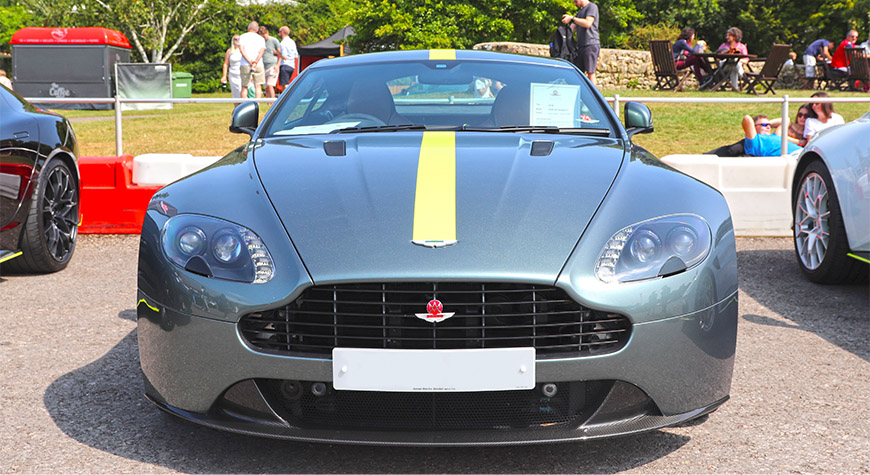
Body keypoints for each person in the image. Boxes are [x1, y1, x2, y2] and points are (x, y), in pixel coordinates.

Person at [706, 114, 799, 157]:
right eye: (764, 125)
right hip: (792, 157)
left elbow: (786, 119)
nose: (768, 127)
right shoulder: (754, 141)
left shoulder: (776, 135)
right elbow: (747, 118)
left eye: (769, 126)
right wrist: (755, 128)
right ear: (754, 128)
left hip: (801, 152)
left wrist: (766, 123)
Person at [561, 0, 600, 86]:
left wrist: (572, 18)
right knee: (578, 73)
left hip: (590, 44)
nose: (575, 4)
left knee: (590, 73)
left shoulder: (592, 7)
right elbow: (572, 28)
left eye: (575, 1)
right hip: (581, 46)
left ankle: (595, 98)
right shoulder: (580, 13)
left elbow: (587, 23)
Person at [239, 21, 266, 99]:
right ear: (257, 30)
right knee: (258, 85)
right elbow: (262, 51)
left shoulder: (243, 36)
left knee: (244, 86)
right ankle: (257, 103)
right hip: (258, 64)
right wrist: (255, 62)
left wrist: (249, 61)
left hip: (245, 63)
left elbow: (241, 50)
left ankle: (243, 104)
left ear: (248, 28)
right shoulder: (261, 38)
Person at [258, 26, 281, 98]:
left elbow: (280, 53)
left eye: (264, 36)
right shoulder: (260, 42)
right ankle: (268, 102)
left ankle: (273, 101)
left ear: (267, 33)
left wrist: (277, 65)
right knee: (266, 87)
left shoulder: (274, 40)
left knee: (270, 85)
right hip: (263, 66)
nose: (263, 38)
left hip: (272, 65)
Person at [276, 26, 298, 94]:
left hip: (285, 65)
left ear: (282, 32)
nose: (279, 34)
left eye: (279, 32)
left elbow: (284, 56)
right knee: (286, 83)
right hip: (292, 65)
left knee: (284, 84)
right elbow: (296, 55)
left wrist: (277, 53)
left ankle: (285, 99)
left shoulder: (283, 43)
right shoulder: (292, 42)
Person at [220, 35, 243, 100]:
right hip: (233, 75)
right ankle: (236, 108)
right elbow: (226, 64)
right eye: (235, 39)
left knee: (241, 92)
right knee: (235, 94)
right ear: (233, 41)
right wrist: (224, 76)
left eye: (239, 39)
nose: (237, 40)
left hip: (242, 74)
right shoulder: (229, 51)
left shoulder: (243, 50)